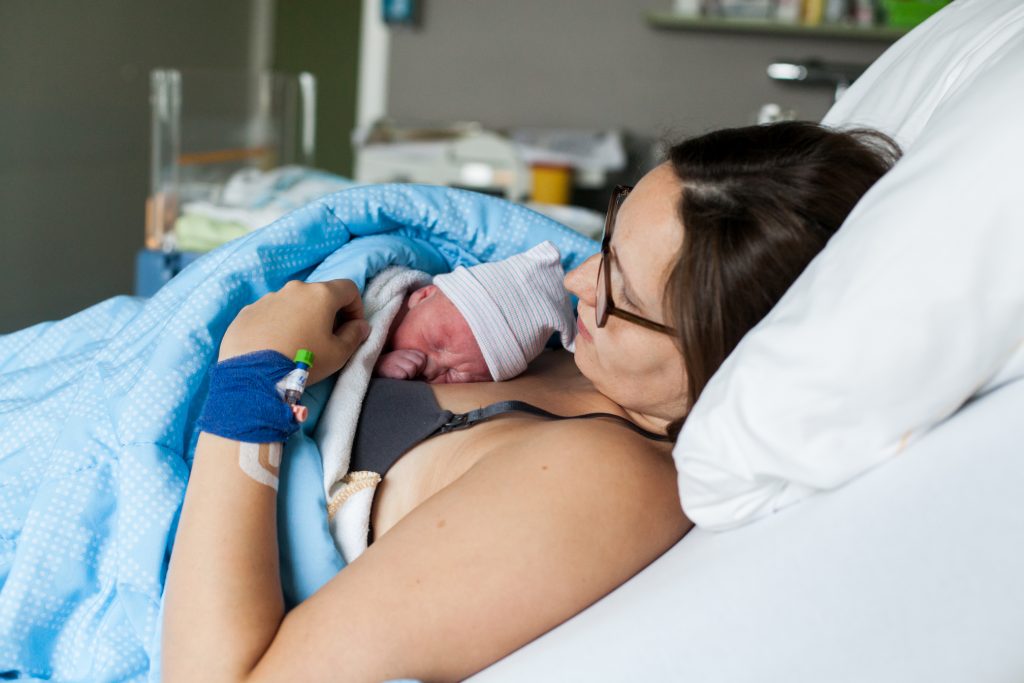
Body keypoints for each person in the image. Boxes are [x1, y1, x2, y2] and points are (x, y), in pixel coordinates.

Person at [163, 121, 901, 682]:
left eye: (624, 294)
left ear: (728, 354)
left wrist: (253, 372)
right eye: (608, 243)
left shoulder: (606, 479)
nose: (581, 284)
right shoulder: (594, 363)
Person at [373, 240, 576, 384]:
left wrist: (374, 367)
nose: (431, 369)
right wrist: (371, 362)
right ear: (423, 295)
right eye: (435, 343)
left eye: (453, 374)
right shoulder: (376, 298)